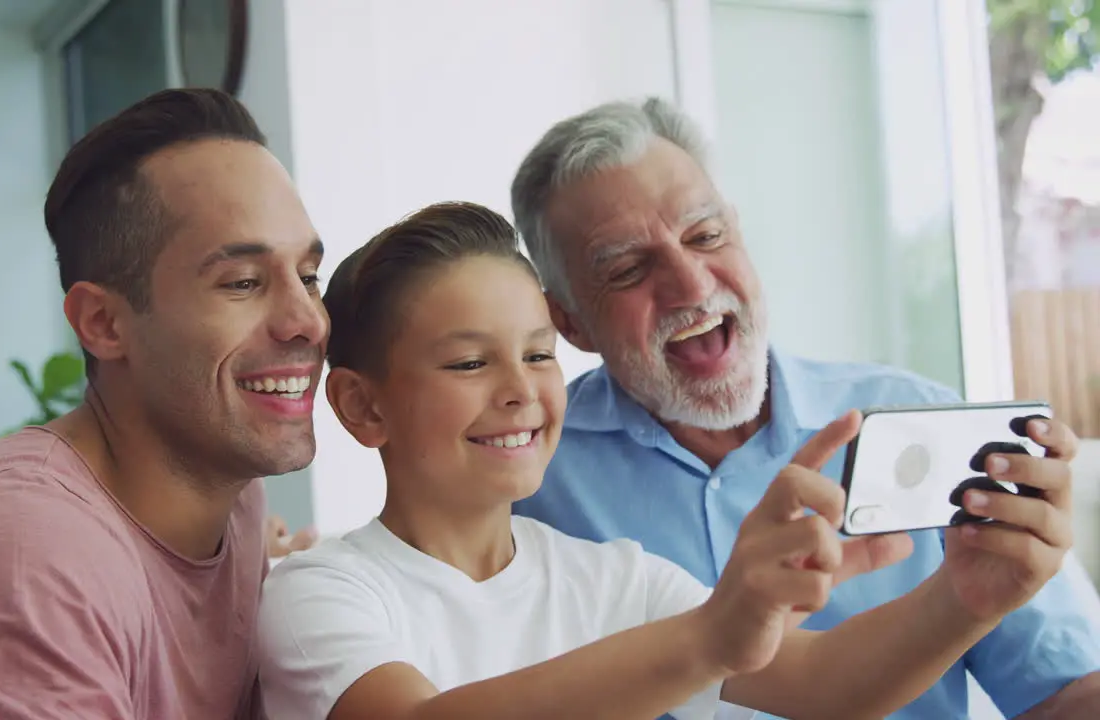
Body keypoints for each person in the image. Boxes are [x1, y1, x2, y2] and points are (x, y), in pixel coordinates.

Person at [256, 201, 1074, 720]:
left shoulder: (615, 578)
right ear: (363, 406)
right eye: (470, 364)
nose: (519, 392)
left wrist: (966, 598)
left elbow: (823, 683)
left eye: (538, 356)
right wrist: (713, 635)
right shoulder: (319, 593)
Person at [508, 97, 1100, 719]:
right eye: (628, 269)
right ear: (569, 323)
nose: (692, 284)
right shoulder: (527, 479)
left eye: (707, 235)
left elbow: (1069, 693)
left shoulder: (920, 421)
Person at [0, 88, 327, 719]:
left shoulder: (235, 506)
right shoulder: (26, 554)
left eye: (308, 277)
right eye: (243, 283)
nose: (307, 320)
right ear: (103, 323)